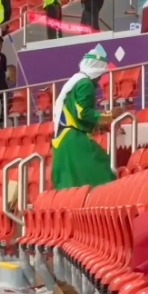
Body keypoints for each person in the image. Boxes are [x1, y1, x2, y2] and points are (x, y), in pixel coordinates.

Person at [51, 45, 118, 190]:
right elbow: (82, 112)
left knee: (70, 186)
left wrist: (99, 124)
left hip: (63, 140)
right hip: (73, 139)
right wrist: (108, 116)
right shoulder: (85, 84)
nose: (101, 78)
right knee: (103, 169)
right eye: (101, 73)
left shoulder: (75, 81)